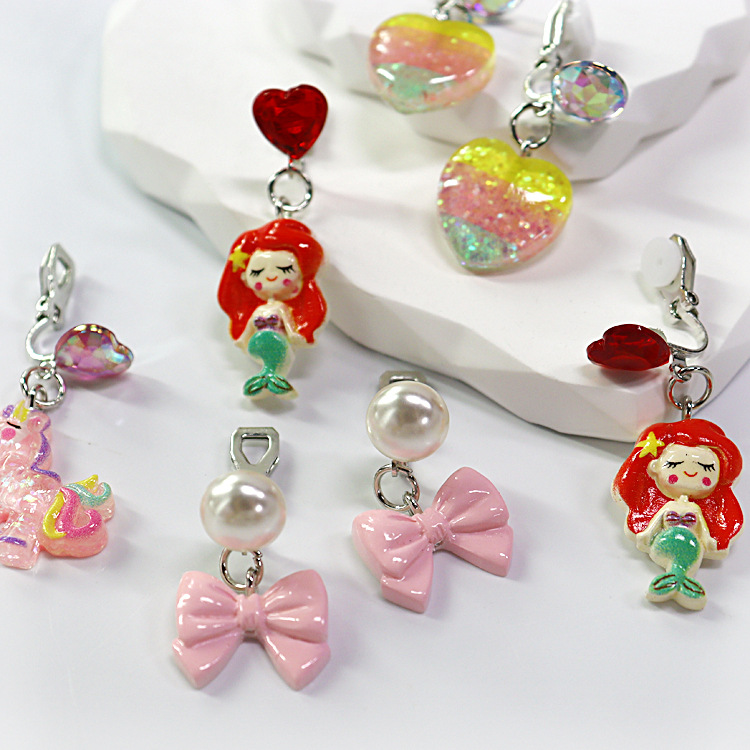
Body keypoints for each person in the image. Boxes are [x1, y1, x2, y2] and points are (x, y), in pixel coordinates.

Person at [218, 219, 327, 397]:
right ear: (245, 277)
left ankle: (270, 382)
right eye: (257, 272)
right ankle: (268, 382)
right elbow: (249, 327)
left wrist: (295, 335)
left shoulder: (282, 308)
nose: (270, 277)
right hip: (258, 342)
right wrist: (242, 339)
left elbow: (290, 326)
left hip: (278, 341)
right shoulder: (258, 310)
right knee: (274, 359)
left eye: (284, 269)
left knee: (281, 359)